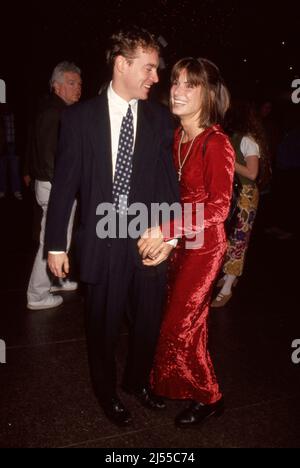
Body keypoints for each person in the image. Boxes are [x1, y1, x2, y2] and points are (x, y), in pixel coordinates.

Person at [45, 27, 179, 426]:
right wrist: (56, 244)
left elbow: (170, 184)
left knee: (149, 320)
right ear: (122, 64)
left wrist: (171, 234)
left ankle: (137, 381)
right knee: (101, 324)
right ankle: (105, 392)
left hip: (147, 239)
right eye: (149, 68)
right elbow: (64, 187)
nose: (156, 78)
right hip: (102, 240)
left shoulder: (159, 119)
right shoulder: (79, 118)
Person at [147, 57, 235, 426]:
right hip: (182, 240)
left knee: (178, 323)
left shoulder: (217, 143)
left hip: (206, 246)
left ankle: (210, 396)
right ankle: (174, 383)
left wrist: (168, 229)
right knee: (188, 323)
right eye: (176, 83)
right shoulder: (178, 136)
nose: (178, 91)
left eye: (191, 85)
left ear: (208, 93)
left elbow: (219, 207)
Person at [26, 61, 82, 310]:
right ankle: (36, 295)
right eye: (71, 83)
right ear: (56, 86)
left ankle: (54, 280)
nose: (77, 88)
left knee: (58, 238)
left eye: (79, 83)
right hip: (54, 186)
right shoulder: (54, 113)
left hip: (52, 184)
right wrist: (64, 188)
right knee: (52, 240)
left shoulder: (54, 109)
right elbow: (50, 157)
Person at [211, 100, 265, 307]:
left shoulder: (247, 140)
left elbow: (252, 173)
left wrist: (228, 161)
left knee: (239, 240)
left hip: (246, 194)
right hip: (233, 193)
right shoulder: (229, 137)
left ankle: (227, 287)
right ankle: (228, 276)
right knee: (229, 237)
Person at [0, 103, 23, 200]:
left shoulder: (15, 116)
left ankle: (16, 190)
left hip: (14, 146)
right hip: (2, 147)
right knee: (1, 170)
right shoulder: (0, 117)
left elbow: (21, 132)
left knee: (14, 170)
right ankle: (1, 190)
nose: (6, 106)